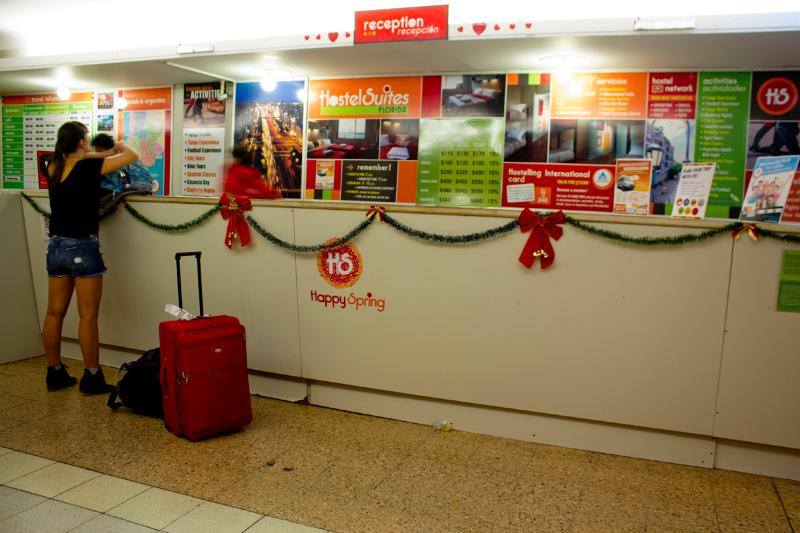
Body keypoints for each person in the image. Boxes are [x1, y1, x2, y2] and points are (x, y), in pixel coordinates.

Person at [44, 121, 139, 394]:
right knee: (87, 314)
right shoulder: (88, 167)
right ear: (82, 142)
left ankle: (54, 372)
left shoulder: (53, 165)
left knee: (54, 312)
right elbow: (131, 155)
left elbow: (86, 158)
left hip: (56, 246)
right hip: (82, 246)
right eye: (86, 137)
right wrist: (118, 145)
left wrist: (102, 153)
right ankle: (92, 376)